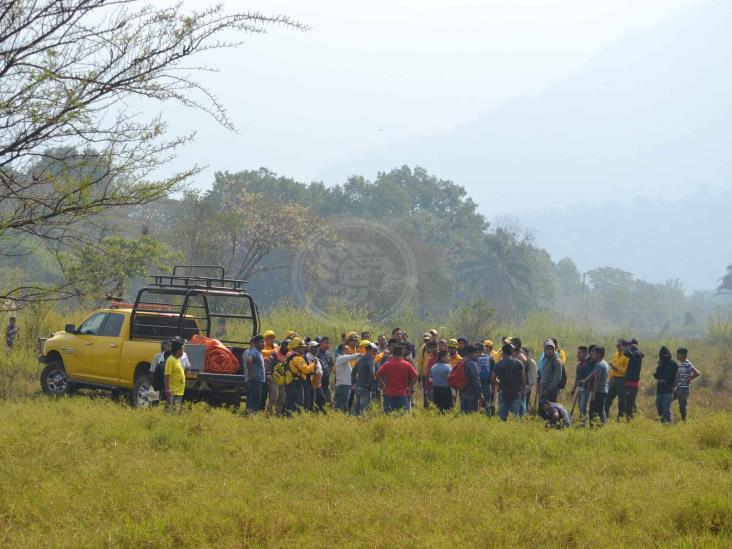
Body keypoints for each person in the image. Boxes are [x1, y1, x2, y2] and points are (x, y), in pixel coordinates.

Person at [376, 345, 418, 413]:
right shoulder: (407, 364)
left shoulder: (387, 364)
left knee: (389, 415)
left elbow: (378, 374)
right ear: (402, 353)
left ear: (393, 353)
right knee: (402, 415)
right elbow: (415, 376)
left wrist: (383, 384)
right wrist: (409, 387)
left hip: (389, 393)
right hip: (402, 393)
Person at [492, 343, 526, 421]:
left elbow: (493, 378)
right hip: (516, 391)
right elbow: (523, 379)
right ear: (511, 352)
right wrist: (523, 389)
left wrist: (499, 382)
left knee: (502, 416)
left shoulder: (498, 364)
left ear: (503, 352)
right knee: (515, 417)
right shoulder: (519, 363)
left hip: (502, 391)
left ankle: (503, 431)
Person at [284, 338, 314, 415]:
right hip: (297, 384)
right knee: (298, 403)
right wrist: (314, 364)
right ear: (296, 348)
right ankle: (295, 419)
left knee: (290, 403)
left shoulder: (290, 357)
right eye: (301, 347)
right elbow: (306, 370)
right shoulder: (298, 358)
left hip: (290, 383)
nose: (303, 349)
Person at [581, 346, 609, 425]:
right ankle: (601, 425)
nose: (593, 355)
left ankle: (594, 426)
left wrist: (593, 393)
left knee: (594, 410)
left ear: (599, 354)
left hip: (599, 392)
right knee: (600, 409)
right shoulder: (603, 363)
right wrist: (585, 380)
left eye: (595, 353)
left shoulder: (600, 365)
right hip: (603, 391)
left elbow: (597, 380)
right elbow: (593, 373)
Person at [605, 339, 630, 420]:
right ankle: (605, 415)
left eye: (619, 346)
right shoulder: (615, 355)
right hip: (613, 379)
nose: (617, 347)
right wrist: (610, 379)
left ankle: (620, 417)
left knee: (621, 400)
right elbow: (612, 370)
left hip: (622, 380)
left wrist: (616, 368)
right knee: (607, 398)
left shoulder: (627, 357)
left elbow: (627, 371)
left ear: (624, 346)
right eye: (617, 346)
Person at [653, 346, 678, 424]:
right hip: (660, 391)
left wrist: (675, 387)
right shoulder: (660, 364)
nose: (664, 356)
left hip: (669, 390)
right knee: (659, 409)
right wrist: (659, 367)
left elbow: (677, 377)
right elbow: (657, 375)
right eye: (662, 354)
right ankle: (663, 425)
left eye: (665, 354)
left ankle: (668, 426)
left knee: (666, 410)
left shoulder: (673, 364)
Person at [352, 343, 378, 416]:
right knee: (364, 410)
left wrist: (353, 384)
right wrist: (370, 385)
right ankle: (363, 425)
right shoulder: (371, 360)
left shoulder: (360, 359)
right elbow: (372, 374)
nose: (376, 352)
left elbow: (353, 372)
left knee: (356, 409)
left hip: (358, 387)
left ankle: (355, 425)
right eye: (375, 350)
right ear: (369, 351)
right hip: (366, 388)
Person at [334, 344, 360, 413]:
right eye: (345, 349)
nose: (347, 350)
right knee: (342, 407)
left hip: (345, 386)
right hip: (343, 386)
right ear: (340, 350)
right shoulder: (341, 358)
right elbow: (352, 356)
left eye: (347, 349)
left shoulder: (344, 361)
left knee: (343, 406)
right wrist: (361, 354)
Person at [675, 348, 699, 421]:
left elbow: (697, 373)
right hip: (679, 388)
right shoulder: (681, 364)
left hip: (684, 389)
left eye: (678, 354)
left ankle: (684, 421)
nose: (677, 356)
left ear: (683, 355)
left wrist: (689, 379)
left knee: (682, 406)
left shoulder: (688, 364)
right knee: (678, 404)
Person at [267, 339, 290, 416]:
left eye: (288, 345)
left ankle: (278, 413)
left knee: (282, 398)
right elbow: (270, 364)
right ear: (282, 345)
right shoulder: (275, 353)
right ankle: (269, 413)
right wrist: (268, 374)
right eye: (285, 344)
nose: (287, 347)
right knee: (274, 396)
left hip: (283, 379)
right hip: (274, 378)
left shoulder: (289, 355)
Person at [245, 335, 266, 415]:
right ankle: (251, 417)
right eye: (261, 342)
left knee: (256, 400)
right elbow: (249, 361)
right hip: (255, 380)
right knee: (254, 400)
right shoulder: (255, 351)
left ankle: (252, 416)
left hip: (259, 380)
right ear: (256, 343)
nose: (263, 344)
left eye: (264, 342)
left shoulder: (259, 352)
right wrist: (253, 374)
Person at [623, 340, 644, 420]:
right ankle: (631, 416)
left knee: (628, 402)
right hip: (635, 383)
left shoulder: (633, 355)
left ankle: (629, 418)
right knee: (631, 401)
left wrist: (628, 347)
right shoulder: (639, 355)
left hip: (629, 382)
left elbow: (625, 353)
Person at [164, 339, 186, 411]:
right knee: (172, 412)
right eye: (182, 349)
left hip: (179, 392)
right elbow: (167, 375)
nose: (183, 351)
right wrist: (167, 389)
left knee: (176, 411)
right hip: (173, 392)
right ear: (178, 350)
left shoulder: (177, 359)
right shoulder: (170, 360)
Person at [459, 345, 482, 413]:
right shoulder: (472, 364)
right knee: (472, 415)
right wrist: (480, 394)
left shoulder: (462, 361)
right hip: (471, 393)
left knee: (463, 416)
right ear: (470, 353)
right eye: (476, 353)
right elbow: (476, 380)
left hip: (462, 392)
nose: (478, 355)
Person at [571, 346, 591, 419]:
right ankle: (582, 420)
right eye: (577, 352)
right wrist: (574, 388)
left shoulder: (589, 364)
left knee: (583, 406)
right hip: (580, 389)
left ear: (585, 354)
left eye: (580, 352)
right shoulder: (579, 365)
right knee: (580, 406)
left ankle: (584, 421)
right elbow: (577, 378)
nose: (578, 354)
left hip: (587, 389)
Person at [540, 340, 563, 404]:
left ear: (554, 350)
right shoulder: (545, 360)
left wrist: (549, 390)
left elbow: (557, 378)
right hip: (544, 389)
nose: (549, 351)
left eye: (551, 349)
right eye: (548, 349)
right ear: (545, 350)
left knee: (550, 408)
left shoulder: (557, 361)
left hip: (552, 390)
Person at [477, 342, 494, 416]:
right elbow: (493, 372)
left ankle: (476, 417)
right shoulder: (490, 359)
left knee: (476, 402)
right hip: (487, 384)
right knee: (487, 402)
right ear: (484, 349)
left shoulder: (474, 358)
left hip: (476, 383)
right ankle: (488, 417)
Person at [317, 337, 334, 404]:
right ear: (321, 343)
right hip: (319, 378)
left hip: (326, 377)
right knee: (319, 395)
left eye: (329, 343)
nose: (328, 344)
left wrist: (328, 372)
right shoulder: (317, 352)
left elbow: (331, 364)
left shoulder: (328, 353)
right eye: (326, 342)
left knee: (325, 394)